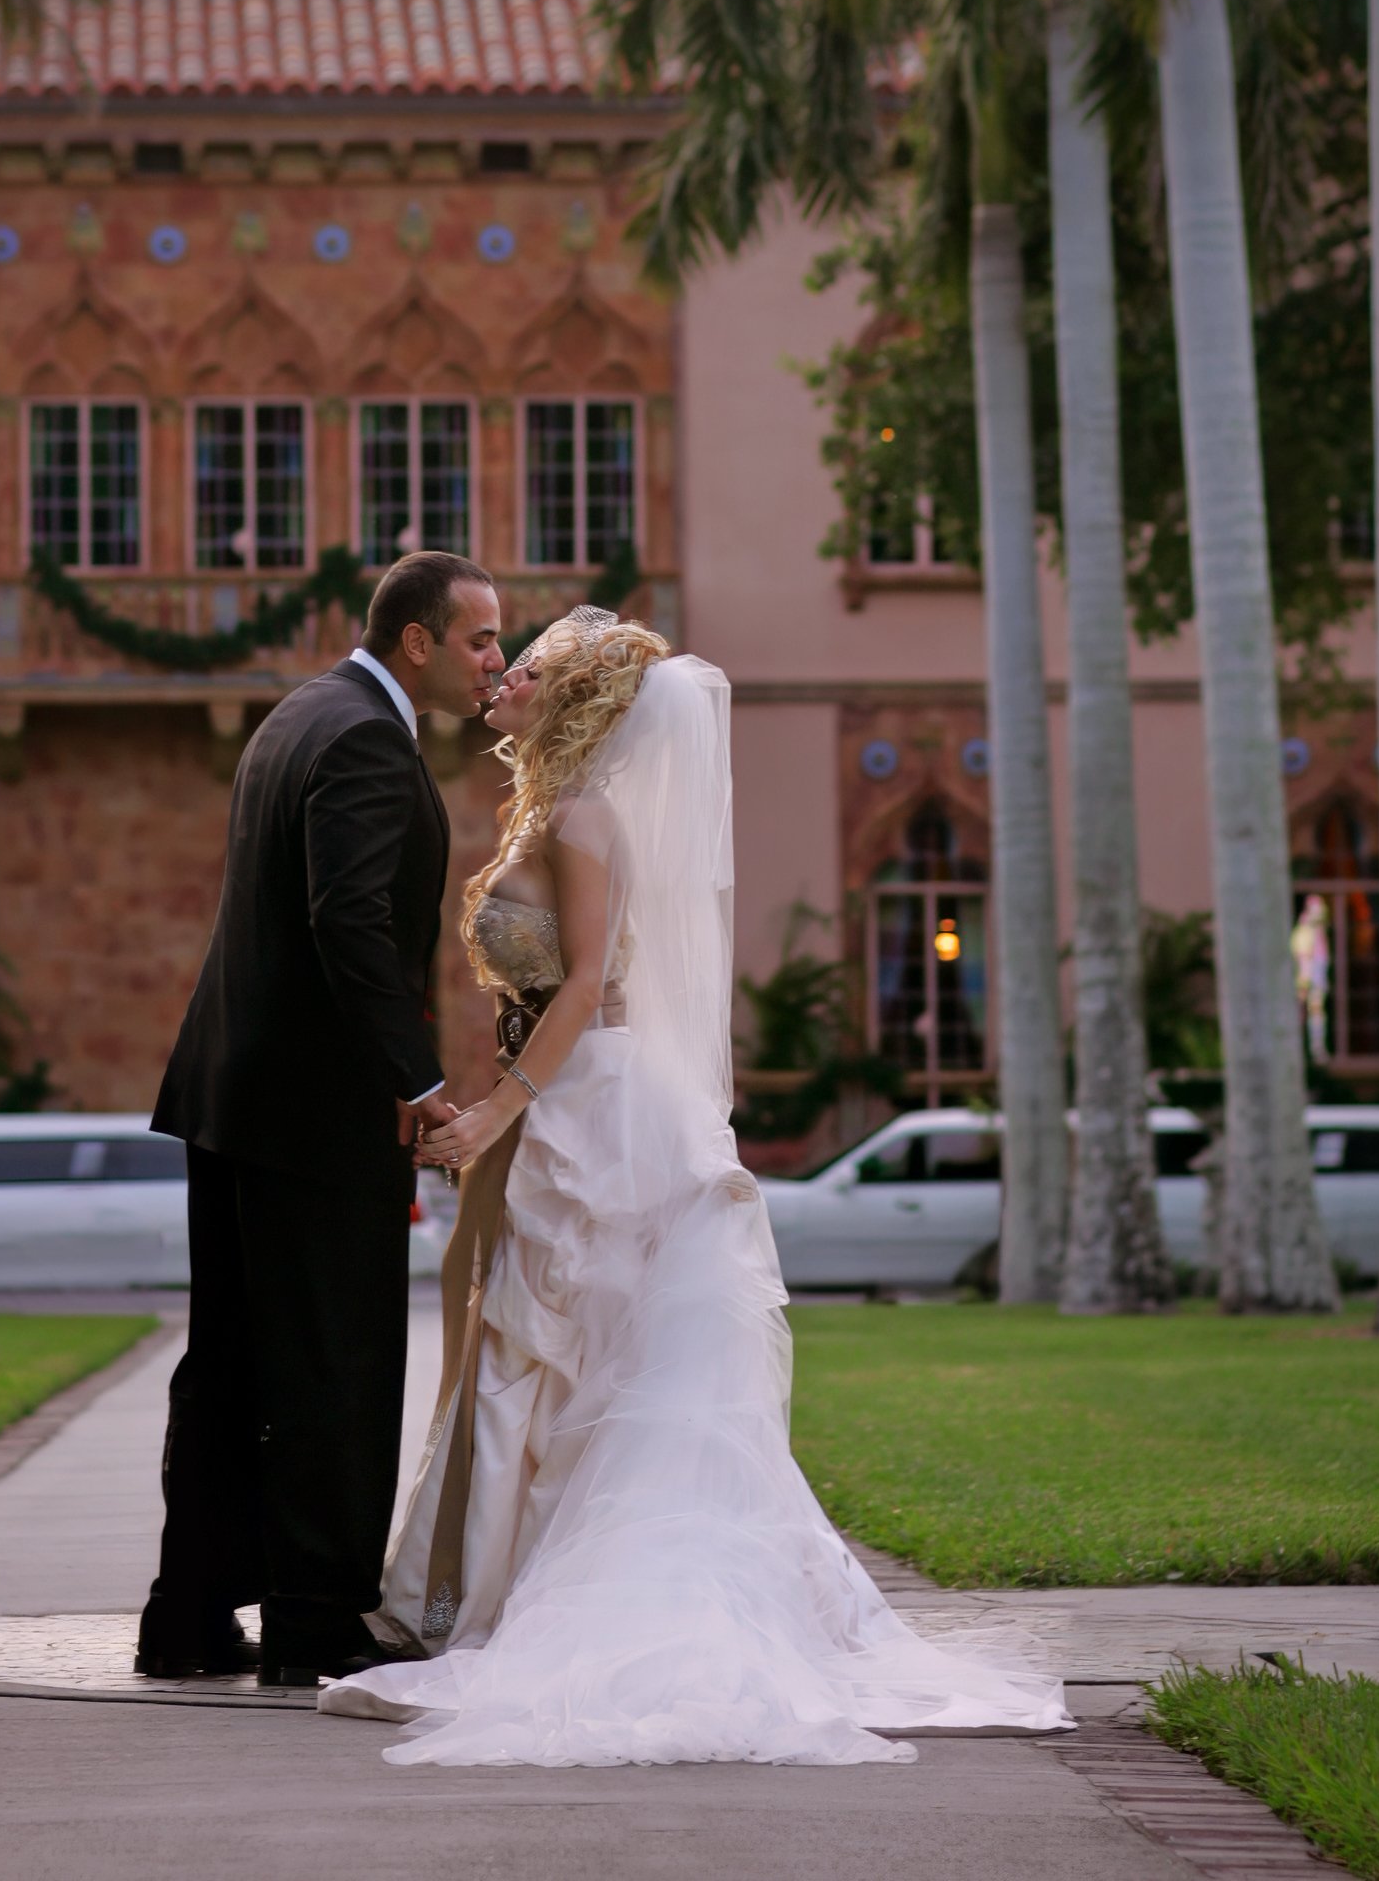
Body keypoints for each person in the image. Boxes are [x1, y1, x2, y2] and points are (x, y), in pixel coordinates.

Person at [321, 610, 1068, 1766]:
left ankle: (588, 1599)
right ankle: (512, 1589)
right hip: (576, 1091)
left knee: (581, 1346)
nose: (500, 677)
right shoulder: (552, 807)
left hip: (599, 1103)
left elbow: (578, 996)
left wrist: (493, 1113)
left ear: (568, 706)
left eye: (522, 670)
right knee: (565, 1351)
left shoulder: (580, 817)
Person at [136, 549, 503, 1687]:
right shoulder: (361, 741)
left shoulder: (299, 712)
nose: (499, 658)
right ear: (419, 642)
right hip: (312, 1114)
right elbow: (347, 927)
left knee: (233, 1366)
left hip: (230, 1100)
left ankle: (186, 1619)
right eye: (483, 638)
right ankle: (313, 1621)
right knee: (334, 1368)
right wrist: (421, 1085)